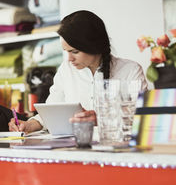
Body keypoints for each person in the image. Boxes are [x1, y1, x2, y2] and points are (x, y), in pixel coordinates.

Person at [8, 10, 148, 133]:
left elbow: (143, 119)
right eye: (66, 51)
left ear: (94, 45)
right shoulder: (66, 70)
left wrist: (101, 120)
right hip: (75, 149)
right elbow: (52, 111)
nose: (69, 59)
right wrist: (29, 125)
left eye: (75, 52)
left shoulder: (130, 71)